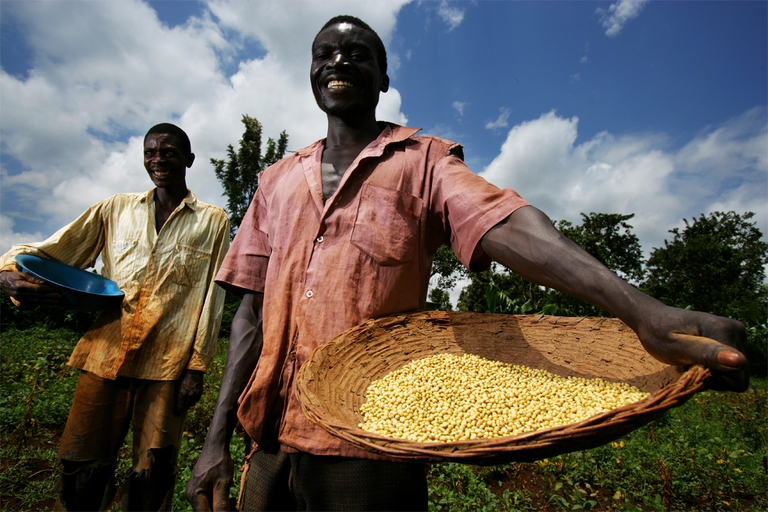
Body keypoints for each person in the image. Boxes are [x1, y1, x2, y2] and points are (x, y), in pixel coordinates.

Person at [185, 16, 749, 512]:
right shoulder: (275, 181)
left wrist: (641, 311)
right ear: (311, 73)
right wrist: (215, 440)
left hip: (371, 444)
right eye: (324, 54)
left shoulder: (423, 162)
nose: (339, 62)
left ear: (383, 78)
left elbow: (505, 222)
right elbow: (250, 315)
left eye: (358, 54)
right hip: (267, 442)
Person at [0, 123, 230, 511]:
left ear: (189, 160)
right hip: (105, 355)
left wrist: (197, 367)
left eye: (169, 152)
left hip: (167, 365)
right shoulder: (115, 209)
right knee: (81, 465)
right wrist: (7, 272)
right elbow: (49, 251)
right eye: (150, 153)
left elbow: (212, 297)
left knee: (153, 474)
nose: (158, 160)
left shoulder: (213, 221)